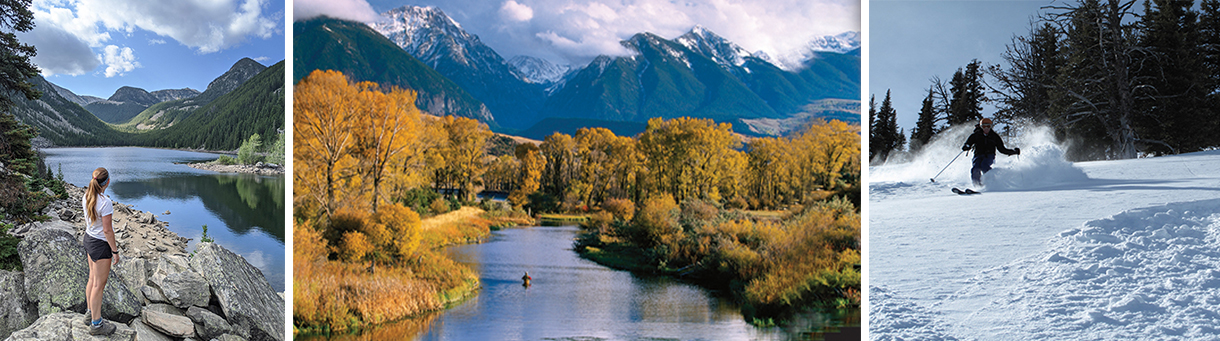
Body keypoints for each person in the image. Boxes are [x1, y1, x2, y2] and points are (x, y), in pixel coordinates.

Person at [82, 167, 119, 335]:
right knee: (99, 285)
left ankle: (90, 313)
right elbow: (107, 231)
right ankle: (96, 324)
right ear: (108, 182)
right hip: (100, 245)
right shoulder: (105, 202)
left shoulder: (87, 195)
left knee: (92, 278)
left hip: (89, 239)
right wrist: (115, 251)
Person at [962, 118, 1020, 187]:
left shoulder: (994, 136)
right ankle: (977, 185)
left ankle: (990, 183)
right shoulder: (975, 135)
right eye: (984, 126)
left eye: (988, 126)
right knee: (975, 168)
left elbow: (1002, 149)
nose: (986, 128)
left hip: (989, 155)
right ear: (981, 126)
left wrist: (1013, 152)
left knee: (984, 165)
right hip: (978, 155)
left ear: (991, 126)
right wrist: (966, 146)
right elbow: (967, 144)